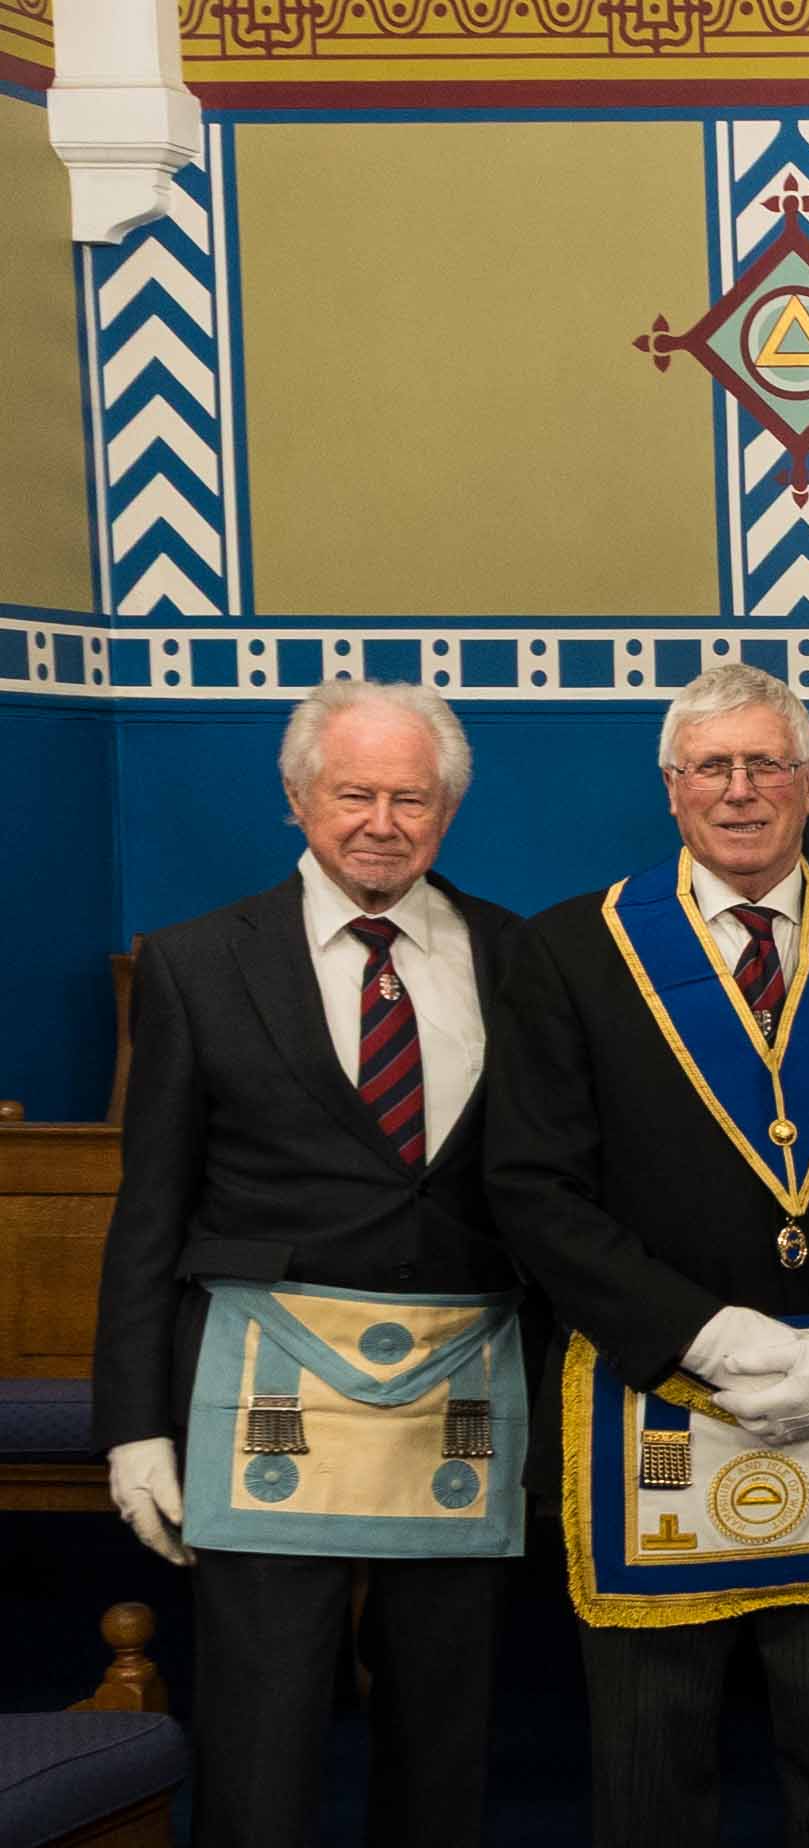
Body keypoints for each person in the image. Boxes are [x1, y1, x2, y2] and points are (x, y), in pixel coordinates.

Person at [487, 663, 809, 1848]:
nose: (741, 790)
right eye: (713, 767)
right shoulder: (572, 952)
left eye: (767, 765)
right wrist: (701, 1333)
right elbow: (535, 1190)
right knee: (651, 1778)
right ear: (672, 787)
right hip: (654, 1395)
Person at [89, 681, 522, 1847]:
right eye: (353, 794)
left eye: (411, 799)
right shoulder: (195, 962)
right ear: (297, 799)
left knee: (444, 1731)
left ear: (448, 811)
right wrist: (135, 1428)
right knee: (262, 1732)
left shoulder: (518, 954)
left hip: (463, 1399)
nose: (382, 823)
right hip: (261, 1397)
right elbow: (152, 1210)